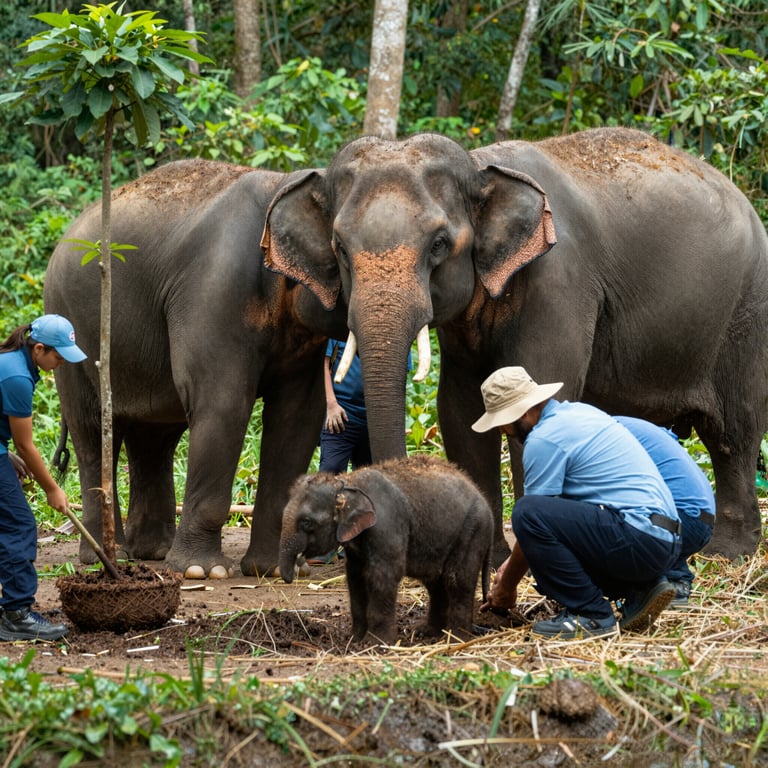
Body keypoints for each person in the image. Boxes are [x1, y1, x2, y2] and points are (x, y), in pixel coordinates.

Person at [473, 366, 682, 640]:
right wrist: (512, 563)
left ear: (522, 411)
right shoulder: (580, 414)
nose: (503, 431)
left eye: (503, 422)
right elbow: (567, 522)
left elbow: (533, 525)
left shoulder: (544, 439)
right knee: (544, 536)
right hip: (666, 542)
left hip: (638, 537)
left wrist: (506, 586)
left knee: (526, 513)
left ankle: (591, 614)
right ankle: (640, 590)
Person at [0, 314, 87, 641]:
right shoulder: (16, 377)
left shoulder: (10, 362)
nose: (62, 362)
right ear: (38, 349)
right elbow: (25, 443)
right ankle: (17, 615)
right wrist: (52, 489)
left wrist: (5, 454)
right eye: (59, 355)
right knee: (19, 526)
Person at [614, 416, 715, 606]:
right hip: (703, 520)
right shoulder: (633, 425)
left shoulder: (601, 435)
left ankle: (650, 583)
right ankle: (676, 582)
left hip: (680, 521)